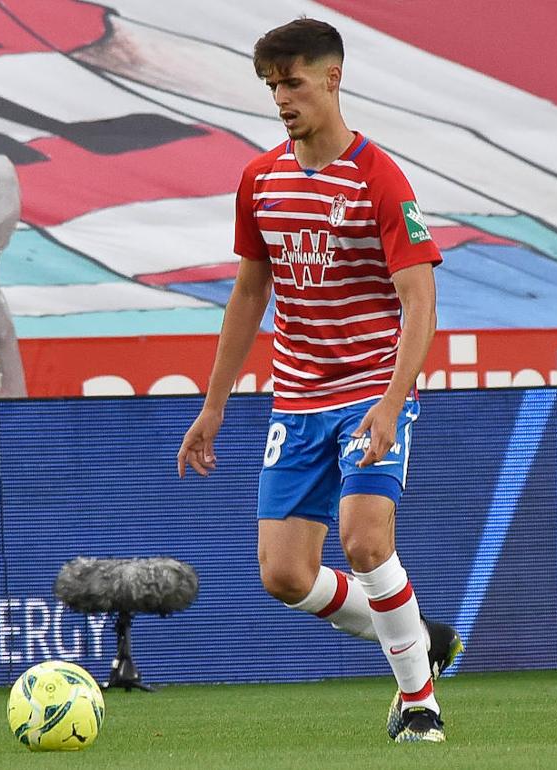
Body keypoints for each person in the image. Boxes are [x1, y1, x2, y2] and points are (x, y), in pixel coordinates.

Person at [176, 17, 461, 744]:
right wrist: (214, 405)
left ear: (332, 80)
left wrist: (394, 404)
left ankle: (419, 705)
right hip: (296, 398)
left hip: (369, 390)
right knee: (284, 575)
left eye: (293, 82)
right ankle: (414, 634)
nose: (281, 98)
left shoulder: (379, 179)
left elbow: (419, 300)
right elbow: (248, 295)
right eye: (272, 85)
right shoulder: (261, 180)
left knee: (365, 544)